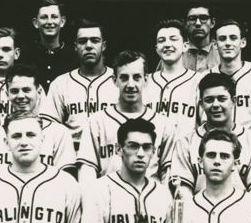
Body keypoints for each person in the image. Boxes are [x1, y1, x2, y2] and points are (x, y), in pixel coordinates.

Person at [76, 50, 178, 189]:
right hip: (108, 199)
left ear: (146, 79)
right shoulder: (97, 121)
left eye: (137, 77)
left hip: (149, 202)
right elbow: (87, 172)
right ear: (114, 80)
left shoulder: (164, 124)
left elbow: (168, 174)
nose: (130, 85)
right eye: (124, 78)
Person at [171, 72, 251, 203]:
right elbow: (183, 191)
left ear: (234, 101)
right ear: (201, 104)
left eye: (221, 99)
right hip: (199, 217)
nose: (215, 105)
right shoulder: (186, 143)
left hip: (241, 217)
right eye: (209, 100)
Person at [0, 64, 76, 172]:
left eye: (26, 90)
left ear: (39, 92)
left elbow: (65, 181)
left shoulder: (59, 133)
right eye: (14, 91)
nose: (21, 96)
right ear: (7, 94)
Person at [41, 19, 118, 147]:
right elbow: (49, 127)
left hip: (111, 154)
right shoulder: (61, 83)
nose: (88, 46)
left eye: (95, 40)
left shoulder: (120, 80)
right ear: (75, 47)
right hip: (73, 154)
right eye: (82, 41)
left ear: (103, 46)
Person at [145, 19, 202, 137]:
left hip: (184, 152)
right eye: (161, 41)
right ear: (156, 49)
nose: (167, 44)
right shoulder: (145, 81)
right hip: (149, 152)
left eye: (173, 39)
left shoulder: (198, 81)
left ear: (185, 46)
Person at [20, 0, 76, 91]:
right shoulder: (24, 55)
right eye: (44, 17)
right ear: (36, 23)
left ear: (62, 22)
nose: (49, 22)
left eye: (54, 17)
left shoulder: (73, 57)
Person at [181, 5, 221, 73]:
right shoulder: (175, 53)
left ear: (212, 23)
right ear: (185, 23)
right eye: (192, 18)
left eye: (203, 18)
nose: (198, 23)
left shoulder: (222, 53)